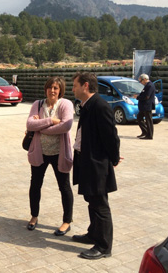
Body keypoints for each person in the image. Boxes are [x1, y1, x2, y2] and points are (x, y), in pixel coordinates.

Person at [71, 72, 120, 260]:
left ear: (85, 86)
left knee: (100, 204)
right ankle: (93, 234)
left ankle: (104, 246)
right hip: (86, 162)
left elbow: (111, 137)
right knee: (91, 200)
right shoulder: (87, 106)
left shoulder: (100, 106)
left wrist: (113, 160)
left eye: (75, 85)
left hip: (96, 164)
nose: (73, 88)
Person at [25, 76, 74, 236]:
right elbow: (30, 124)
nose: (52, 90)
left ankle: (67, 221)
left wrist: (42, 126)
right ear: (45, 88)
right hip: (40, 152)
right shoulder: (37, 104)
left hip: (59, 153)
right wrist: (51, 121)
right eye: (50, 87)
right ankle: (34, 216)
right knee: (35, 185)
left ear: (60, 90)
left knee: (64, 187)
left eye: (56, 88)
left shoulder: (65, 104)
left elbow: (66, 125)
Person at [136, 74, 155, 140]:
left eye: (141, 81)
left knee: (148, 120)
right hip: (143, 106)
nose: (141, 83)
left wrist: (138, 97)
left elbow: (147, 96)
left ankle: (149, 135)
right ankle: (145, 132)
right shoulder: (146, 85)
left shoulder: (149, 85)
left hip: (147, 106)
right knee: (139, 118)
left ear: (144, 79)